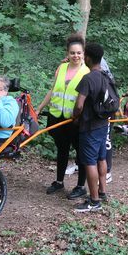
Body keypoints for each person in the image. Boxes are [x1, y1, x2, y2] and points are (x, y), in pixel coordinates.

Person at [36, 34, 90, 200]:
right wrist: (39, 108)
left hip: (75, 120)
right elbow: (53, 90)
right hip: (57, 117)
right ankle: (59, 182)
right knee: (62, 150)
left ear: (83, 53)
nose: (75, 56)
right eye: (72, 53)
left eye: (79, 53)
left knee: (81, 153)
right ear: (67, 53)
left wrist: (80, 117)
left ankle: (81, 186)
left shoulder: (86, 72)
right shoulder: (62, 68)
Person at [72, 42, 113, 212]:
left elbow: (79, 105)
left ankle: (94, 201)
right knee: (101, 158)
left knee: (89, 162)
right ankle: (102, 191)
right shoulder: (105, 76)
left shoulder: (88, 78)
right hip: (103, 124)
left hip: (89, 127)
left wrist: (75, 117)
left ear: (87, 57)